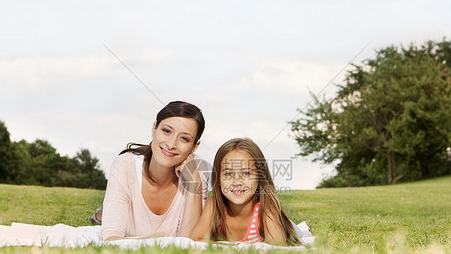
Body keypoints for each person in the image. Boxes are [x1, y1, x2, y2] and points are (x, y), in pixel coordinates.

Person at [101, 101, 208, 241]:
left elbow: (189, 243)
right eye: (166, 131)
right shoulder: (125, 165)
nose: (171, 144)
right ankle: (103, 213)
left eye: (184, 138)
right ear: (154, 128)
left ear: (195, 146)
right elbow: (109, 239)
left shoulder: (197, 172)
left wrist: (194, 185)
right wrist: (155, 240)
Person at [190, 138, 301, 246]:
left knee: (298, 231)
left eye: (246, 173)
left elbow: (277, 245)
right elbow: (196, 239)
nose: (237, 181)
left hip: (286, 227)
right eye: (228, 174)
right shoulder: (214, 205)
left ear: (259, 177)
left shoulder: (266, 207)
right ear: (218, 178)